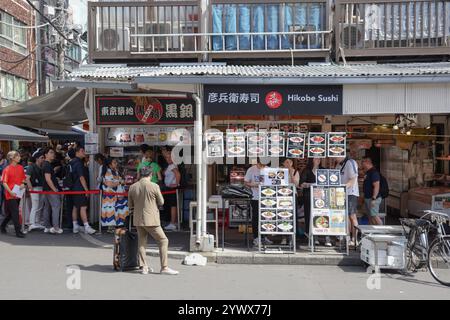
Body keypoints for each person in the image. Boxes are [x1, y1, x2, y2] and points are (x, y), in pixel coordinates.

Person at [128, 166, 179, 275]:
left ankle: (144, 266)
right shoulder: (154, 186)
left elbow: (130, 205)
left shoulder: (132, 187)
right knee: (163, 240)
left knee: (141, 242)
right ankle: (164, 267)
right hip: (151, 219)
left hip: (137, 218)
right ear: (150, 175)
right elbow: (161, 202)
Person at [299, 158, 332, 246]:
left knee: (323, 215)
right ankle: (314, 237)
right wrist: (312, 185)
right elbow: (301, 184)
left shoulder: (323, 170)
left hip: (322, 197)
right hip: (309, 197)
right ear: (311, 160)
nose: (318, 160)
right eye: (315, 158)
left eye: (319, 158)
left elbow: (329, 182)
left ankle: (326, 237)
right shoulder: (307, 170)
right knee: (310, 216)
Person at [244, 159, 273, 247]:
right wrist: (255, 185)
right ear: (258, 161)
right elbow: (245, 182)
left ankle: (264, 237)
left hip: (267, 197)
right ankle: (256, 238)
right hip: (255, 197)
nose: (263, 166)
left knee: (266, 217)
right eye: (262, 164)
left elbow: (273, 181)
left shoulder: (269, 169)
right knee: (256, 217)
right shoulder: (251, 169)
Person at [70, 146, 96, 234]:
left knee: (75, 206)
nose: (84, 152)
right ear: (77, 152)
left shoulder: (71, 162)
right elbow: (81, 177)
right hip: (80, 188)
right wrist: (86, 190)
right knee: (83, 207)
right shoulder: (79, 163)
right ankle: (86, 226)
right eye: (82, 151)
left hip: (73, 188)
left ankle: (75, 226)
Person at [0, 151, 26, 238]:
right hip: (10, 194)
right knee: (15, 212)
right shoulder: (7, 169)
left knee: (12, 213)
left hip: (18, 193)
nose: (19, 157)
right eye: (17, 156)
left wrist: (23, 184)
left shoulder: (21, 167)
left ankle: (2, 225)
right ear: (12, 158)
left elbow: (24, 179)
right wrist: (10, 192)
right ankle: (18, 231)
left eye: (19, 155)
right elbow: (4, 182)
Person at [335, 155, 359, 246]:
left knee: (352, 216)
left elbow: (353, 179)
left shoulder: (350, 162)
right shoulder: (338, 165)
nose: (334, 158)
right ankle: (347, 238)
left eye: (335, 156)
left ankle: (355, 239)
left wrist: (343, 188)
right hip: (341, 194)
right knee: (345, 216)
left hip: (350, 193)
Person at [100, 158, 129, 227]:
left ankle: (117, 225)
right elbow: (110, 184)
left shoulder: (115, 171)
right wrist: (120, 182)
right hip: (110, 196)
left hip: (117, 195)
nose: (116, 164)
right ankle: (110, 227)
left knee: (118, 211)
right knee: (111, 211)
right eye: (114, 162)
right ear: (110, 164)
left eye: (116, 162)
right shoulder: (107, 172)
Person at [42, 147, 63, 234]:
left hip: (47, 189)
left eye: (53, 153)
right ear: (46, 155)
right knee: (56, 207)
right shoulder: (47, 165)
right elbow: (48, 179)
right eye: (51, 152)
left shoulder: (46, 165)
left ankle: (47, 226)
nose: (53, 154)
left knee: (47, 208)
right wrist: (55, 189)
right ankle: (56, 227)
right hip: (51, 190)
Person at [280, 158, 300, 245]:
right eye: (286, 162)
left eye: (289, 162)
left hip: (292, 195)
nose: (288, 164)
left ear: (292, 163)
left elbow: (296, 184)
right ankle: (284, 237)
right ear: (283, 163)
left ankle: (292, 237)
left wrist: (290, 173)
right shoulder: (280, 172)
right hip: (282, 196)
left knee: (293, 217)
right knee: (283, 216)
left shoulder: (295, 172)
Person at [25, 149, 46, 232]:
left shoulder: (41, 167)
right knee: (35, 206)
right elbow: (27, 179)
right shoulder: (31, 167)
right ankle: (32, 223)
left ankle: (37, 222)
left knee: (40, 206)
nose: (43, 159)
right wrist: (31, 189)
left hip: (40, 188)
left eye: (43, 158)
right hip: (35, 188)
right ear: (37, 158)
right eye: (42, 157)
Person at [162, 149, 181, 232]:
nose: (168, 159)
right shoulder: (171, 165)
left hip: (172, 188)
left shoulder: (172, 165)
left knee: (173, 206)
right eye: (166, 158)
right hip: (170, 188)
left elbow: (178, 174)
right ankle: (174, 222)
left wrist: (177, 183)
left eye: (170, 157)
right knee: (172, 205)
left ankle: (173, 223)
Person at [362, 156, 383, 225]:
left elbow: (376, 186)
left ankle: (383, 231)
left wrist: (374, 198)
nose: (362, 163)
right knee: (370, 216)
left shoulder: (374, 172)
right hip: (368, 197)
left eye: (363, 162)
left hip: (373, 198)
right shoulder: (368, 172)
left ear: (368, 162)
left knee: (374, 215)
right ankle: (372, 232)